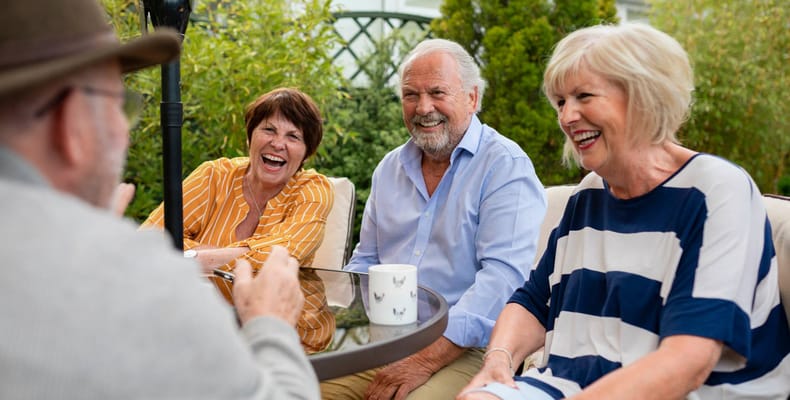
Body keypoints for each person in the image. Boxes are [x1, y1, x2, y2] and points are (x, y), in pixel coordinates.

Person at [0, 1, 320, 398]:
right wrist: (270, 323)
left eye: (293, 136)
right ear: (71, 122)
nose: (125, 132)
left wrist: (183, 254)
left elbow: (180, 245)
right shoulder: (134, 277)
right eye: (119, 106)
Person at [459, 23, 790, 400]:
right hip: (571, 385)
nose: (567, 117)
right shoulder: (588, 196)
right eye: (561, 102)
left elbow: (688, 362)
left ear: (644, 97)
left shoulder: (715, 192)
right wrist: (498, 361)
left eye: (584, 96)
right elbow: (534, 303)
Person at [320, 39, 547, 399]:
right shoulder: (389, 168)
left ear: (472, 98)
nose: (423, 108)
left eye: (438, 92)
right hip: (386, 338)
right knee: (293, 387)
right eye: (411, 95)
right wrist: (336, 320)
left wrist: (425, 359)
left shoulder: (505, 166)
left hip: (470, 347)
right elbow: (366, 262)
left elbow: (503, 280)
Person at [141, 87, 336, 353]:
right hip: (208, 335)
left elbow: (282, 255)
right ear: (250, 137)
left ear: (306, 153)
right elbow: (150, 241)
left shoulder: (313, 189)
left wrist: (191, 258)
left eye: (293, 136)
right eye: (269, 130)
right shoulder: (214, 176)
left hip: (292, 340)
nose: (278, 144)